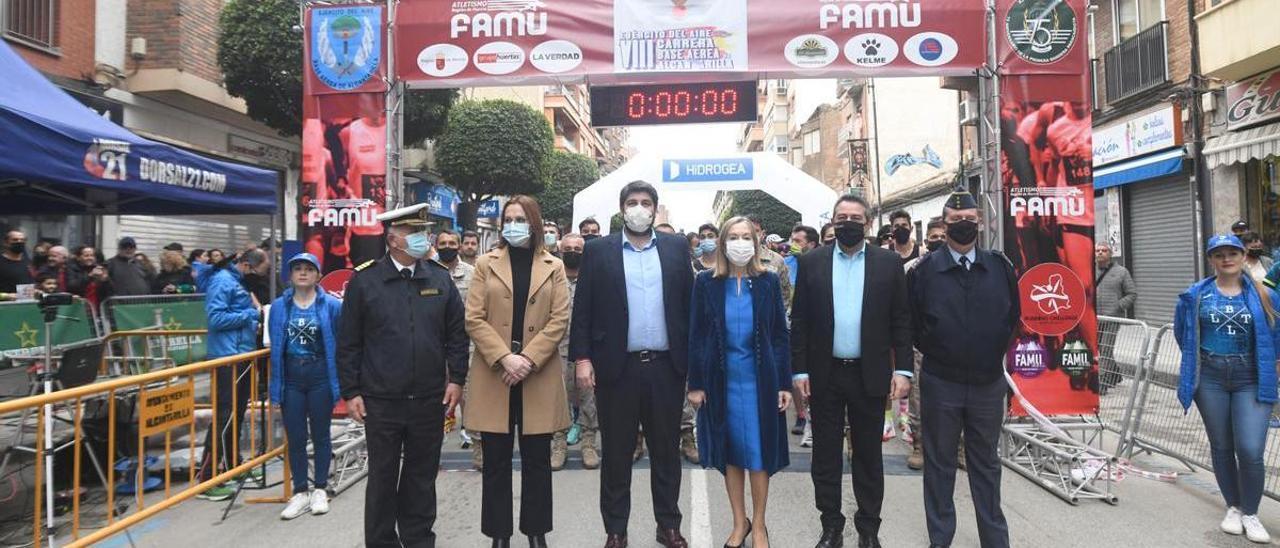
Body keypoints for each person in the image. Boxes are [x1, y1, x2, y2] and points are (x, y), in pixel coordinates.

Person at [570, 181, 695, 548]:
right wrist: (582, 357)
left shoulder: (675, 248)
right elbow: (584, 310)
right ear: (621, 208)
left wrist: (693, 363)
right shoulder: (599, 251)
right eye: (632, 202)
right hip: (616, 369)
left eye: (645, 202)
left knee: (666, 452)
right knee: (617, 455)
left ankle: (668, 524)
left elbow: (688, 306)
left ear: (655, 209)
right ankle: (616, 529)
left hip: (665, 368)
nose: (639, 208)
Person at [337, 203, 469, 548]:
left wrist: (457, 379)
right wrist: (351, 391)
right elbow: (349, 341)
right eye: (414, 232)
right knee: (382, 477)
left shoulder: (438, 278)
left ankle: (419, 539)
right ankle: (381, 541)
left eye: (423, 231)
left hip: (429, 398)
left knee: (421, 477)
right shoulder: (366, 281)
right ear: (393, 239)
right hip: (381, 400)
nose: (423, 237)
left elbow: (457, 336)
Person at [791, 195, 913, 548]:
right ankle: (831, 525)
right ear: (831, 221)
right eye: (841, 217)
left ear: (868, 223)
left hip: (869, 374)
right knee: (825, 456)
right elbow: (799, 321)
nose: (848, 222)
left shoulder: (887, 263)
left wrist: (903, 370)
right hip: (825, 375)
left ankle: (868, 528)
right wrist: (799, 371)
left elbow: (901, 321)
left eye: (855, 217)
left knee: (868, 457)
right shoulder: (813, 262)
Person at [908, 192, 1018, 548]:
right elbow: (912, 324)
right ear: (944, 222)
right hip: (942, 382)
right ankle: (940, 538)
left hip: (987, 383)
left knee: (985, 464)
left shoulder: (1000, 267)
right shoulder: (924, 271)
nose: (964, 225)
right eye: (956, 220)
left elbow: (1012, 317)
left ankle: (995, 539)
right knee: (939, 466)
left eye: (970, 218)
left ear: (981, 221)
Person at [465, 196, 571, 548]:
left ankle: (536, 532)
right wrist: (504, 358)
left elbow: (559, 320)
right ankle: (499, 534)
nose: (513, 224)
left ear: (534, 223)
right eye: (508, 218)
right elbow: (474, 318)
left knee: (536, 462)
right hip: (495, 374)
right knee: (495, 462)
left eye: (520, 218)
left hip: (536, 375)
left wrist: (526, 358)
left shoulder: (553, 265)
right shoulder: (485, 263)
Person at [688, 216, 793, 548]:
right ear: (722, 242)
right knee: (730, 454)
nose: (740, 242)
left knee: (759, 454)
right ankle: (739, 522)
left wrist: (784, 384)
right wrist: (696, 383)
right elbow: (698, 335)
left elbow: (779, 335)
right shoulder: (706, 282)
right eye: (733, 236)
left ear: (756, 242)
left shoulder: (768, 282)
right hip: (722, 382)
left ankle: (759, 524)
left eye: (746, 236)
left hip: (761, 381)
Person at [1176, 235, 1279, 544]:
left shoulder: (1265, 295)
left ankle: (1251, 512)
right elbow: (1184, 334)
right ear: (1211, 260)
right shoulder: (1195, 295)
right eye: (1219, 254)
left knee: (1249, 448)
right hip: (1211, 378)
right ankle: (1234, 507)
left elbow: (1277, 335)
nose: (1226, 259)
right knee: (1221, 445)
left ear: (1242, 255)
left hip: (1251, 376)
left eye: (1232, 252)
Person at [269, 253, 343, 520]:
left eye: (308, 269)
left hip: (320, 375)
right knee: (296, 437)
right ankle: (300, 490)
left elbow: (341, 341)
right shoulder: (279, 307)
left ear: (318, 275)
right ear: (290, 275)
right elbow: (275, 347)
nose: (302, 273)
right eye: (297, 268)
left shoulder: (332, 306)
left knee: (321, 434)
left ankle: (320, 488)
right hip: (291, 377)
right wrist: (274, 388)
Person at [196, 249, 268, 502]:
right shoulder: (222, 281)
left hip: (242, 355)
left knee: (236, 414)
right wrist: (251, 315)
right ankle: (206, 479)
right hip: (227, 358)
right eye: (260, 272)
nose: (262, 277)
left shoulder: (236, 282)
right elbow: (216, 318)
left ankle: (229, 465)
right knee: (224, 416)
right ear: (248, 265)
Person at [552, 233, 600, 471]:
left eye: (578, 249)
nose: (572, 252)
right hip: (556, 349)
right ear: (560, 250)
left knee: (588, 397)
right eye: (568, 248)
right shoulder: (551, 277)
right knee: (557, 398)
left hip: (587, 349)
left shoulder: (594, 278)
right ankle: (558, 444)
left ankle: (589, 443)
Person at [903, 219, 948, 471]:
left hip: (954, 346)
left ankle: (959, 447)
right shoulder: (914, 268)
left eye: (943, 235)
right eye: (933, 236)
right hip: (922, 345)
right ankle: (919, 444)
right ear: (926, 239)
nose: (938, 240)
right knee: (919, 396)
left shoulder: (963, 266)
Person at [745, 215, 792, 310]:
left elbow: (784, 294)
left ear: (762, 234)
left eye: (756, 231)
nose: (751, 234)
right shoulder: (731, 259)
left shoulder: (777, 260)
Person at [1, 229, 33, 294]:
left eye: (22, 240)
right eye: (15, 240)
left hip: (26, 302)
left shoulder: (28, 261)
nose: (19, 242)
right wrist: (6, 296)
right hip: (5, 303)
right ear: (6, 243)